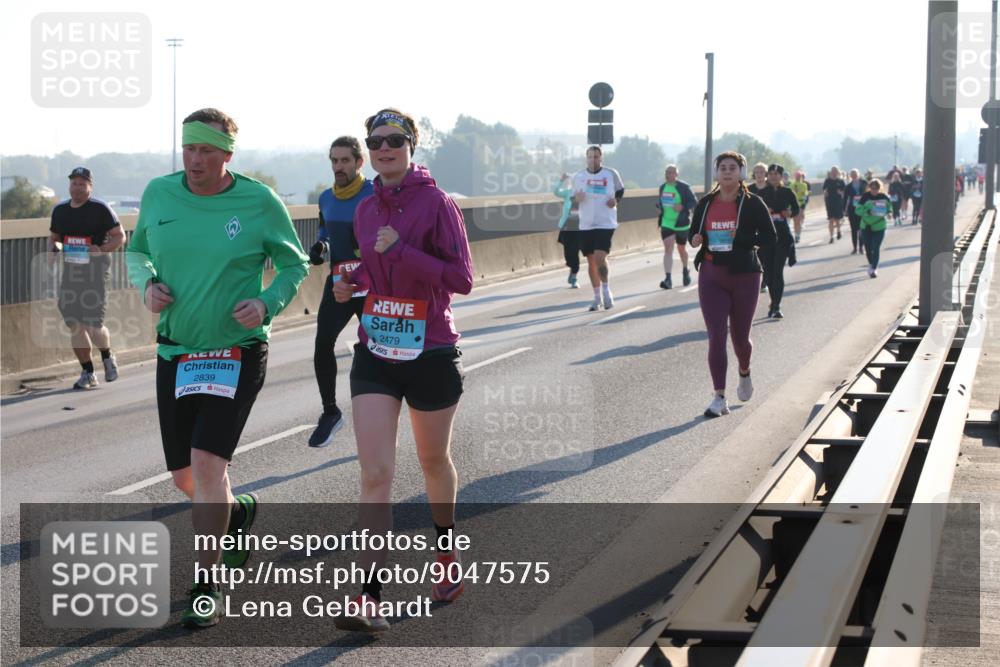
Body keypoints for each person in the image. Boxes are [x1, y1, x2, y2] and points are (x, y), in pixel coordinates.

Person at [126, 108, 310, 628]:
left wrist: (268, 302)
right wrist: (146, 284)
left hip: (237, 350)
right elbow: (137, 253)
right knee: (186, 478)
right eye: (189, 149)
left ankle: (206, 586)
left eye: (207, 150)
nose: (195, 160)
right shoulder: (160, 194)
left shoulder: (257, 201)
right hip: (176, 351)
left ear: (228, 154)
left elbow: (294, 262)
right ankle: (239, 511)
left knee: (208, 468)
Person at [332, 108, 473, 633]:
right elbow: (372, 269)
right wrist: (352, 285)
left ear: (412, 146)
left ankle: (446, 555)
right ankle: (368, 597)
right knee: (376, 474)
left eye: (394, 140)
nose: (383, 148)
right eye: (376, 142)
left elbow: (462, 278)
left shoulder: (438, 204)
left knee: (434, 461)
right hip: (377, 348)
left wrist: (407, 250)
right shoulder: (367, 209)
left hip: (431, 350)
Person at [689, 152, 776, 418]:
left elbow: (770, 237)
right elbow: (693, 231)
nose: (727, 172)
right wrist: (694, 238)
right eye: (723, 168)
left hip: (745, 275)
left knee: (740, 339)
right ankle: (719, 397)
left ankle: (745, 372)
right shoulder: (705, 203)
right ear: (716, 173)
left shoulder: (753, 203)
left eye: (732, 168)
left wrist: (745, 239)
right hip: (712, 273)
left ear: (741, 172)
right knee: (716, 336)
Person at [307, 137, 375, 447]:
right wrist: (322, 247)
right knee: (322, 344)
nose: (338, 167)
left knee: (380, 349)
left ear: (359, 163)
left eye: (345, 161)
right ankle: (330, 412)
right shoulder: (325, 197)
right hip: (339, 282)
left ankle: (384, 415)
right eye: (334, 161)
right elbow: (326, 232)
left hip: (371, 283)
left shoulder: (374, 194)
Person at [48, 167, 125, 389]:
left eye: (83, 183)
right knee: (74, 324)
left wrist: (101, 249)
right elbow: (54, 238)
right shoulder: (60, 210)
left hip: (96, 273)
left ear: (90, 186)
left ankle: (108, 355)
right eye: (74, 183)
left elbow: (119, 237)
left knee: (92, 325)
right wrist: (53, 251)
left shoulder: (100, 209)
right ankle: (88, 373)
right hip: (71, 273)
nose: (78, 187)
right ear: (69, 185)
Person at [573, 146, 625, 311]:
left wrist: (615, 200)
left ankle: (606, 290)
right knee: (591, 260)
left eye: (596, 157)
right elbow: (574, 197)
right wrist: (577, 198)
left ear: (601, 158)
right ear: (586, 158)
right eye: (590, 157)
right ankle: (596, 298)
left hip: (605, 222)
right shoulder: (579, 176)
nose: (592, 160)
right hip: (586, 223)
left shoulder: (610, 174)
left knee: (600, 257)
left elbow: (620, 190)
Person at [756, 164, 799, 319]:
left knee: (777, 272)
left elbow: (796, 209)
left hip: (782, 235)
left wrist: (790, 213)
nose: (774, 176)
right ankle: (773, 302)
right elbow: (754, 214)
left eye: (777, 173)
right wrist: (763, 212)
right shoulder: (762, 193)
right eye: (771, 173)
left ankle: (776, 306)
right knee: (768, 272)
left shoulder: (787, 192)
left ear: (781, 176)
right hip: (765, 237)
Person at [655, 165, 698, 289]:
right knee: (668, 248)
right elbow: (662, 202)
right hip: (666, 223)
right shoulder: (663, 187)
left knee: (681, 249)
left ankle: (685, 269)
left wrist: (683, 207)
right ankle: (668, 279)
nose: (667, 174)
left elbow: (693, 202)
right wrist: (660, 209)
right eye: (666, 172)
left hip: (681, 223)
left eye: (670, 172)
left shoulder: (684, 187)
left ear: (676, 174)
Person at [855, 179, 892, 278]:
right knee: (868, 247)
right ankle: (871, 264)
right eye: (872, 188)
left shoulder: (884, 197)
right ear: (869, 187)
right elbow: (857, 210)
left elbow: (889, 208)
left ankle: (874, 268)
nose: (874, 190)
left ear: (880, 188)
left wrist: (889, 214)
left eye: (877, 188)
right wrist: (867, 211)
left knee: (875, 247)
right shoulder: (865, 197)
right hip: (866, 226)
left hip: (879, 226)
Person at [554, 172, 581, 288]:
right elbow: (556, 192)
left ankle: (574, 276)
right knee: (568, 253)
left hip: (580, 226)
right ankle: (572, 268)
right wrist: (561, 180)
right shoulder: (568, 193)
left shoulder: (583, 193)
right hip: (567, 226)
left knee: (575, 251)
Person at [748, 163, 770, 293]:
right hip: (752, 225)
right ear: (754, 174)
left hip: (768, 226)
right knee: (755, 254)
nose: (760, 174)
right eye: (757, 172)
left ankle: (764, 282)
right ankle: (754, 280)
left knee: (765, 255)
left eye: (762, 172)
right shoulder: (748, 189)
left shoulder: (771, 188)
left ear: (766, 174)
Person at [843, 169, 868, 254]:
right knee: (853, 229)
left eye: (855, 174)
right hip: (852, 209)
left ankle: (861, 247)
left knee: (862, 228)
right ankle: (854, 248)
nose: (854, 175)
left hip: (863, 208)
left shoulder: (864, 183)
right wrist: (844, 210)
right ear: (850, 176)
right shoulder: (848, 186)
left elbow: (869, 194)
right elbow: (845, 199)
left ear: (858, 174)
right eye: (852, 174)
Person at [823, 166, 847, 244]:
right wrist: (825, 192)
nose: (834, 173)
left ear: (838, 172)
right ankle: (831, 237)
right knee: (830, 220)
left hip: (838, 202)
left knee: (837, 219)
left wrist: (841, 193)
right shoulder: (827, 181)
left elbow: (845, 192)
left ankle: (839, 231)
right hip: (829, 202)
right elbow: (824, 190)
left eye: (835, 171)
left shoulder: (841, 181)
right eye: (832, 171)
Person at [788, 170, 810, 243]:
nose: (798, 177)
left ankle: (798, 235)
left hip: (801, 204)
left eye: (799, 176)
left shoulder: (804, 185)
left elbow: (805, 194)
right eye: (797, 176)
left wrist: (803, 197)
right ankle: (796, 235)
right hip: (793, 204)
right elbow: (790, 194)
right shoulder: (791, 185)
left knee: (798, 220)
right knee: (795, 221)